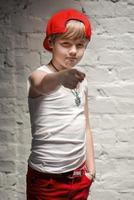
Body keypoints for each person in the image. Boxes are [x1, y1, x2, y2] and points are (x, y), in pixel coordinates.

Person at [26, 8, 96, 200]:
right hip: (46, 180)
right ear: (51, 43)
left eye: (80, 45)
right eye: (66, 44)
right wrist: (60, 77)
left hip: (79, 175)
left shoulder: (81, 80)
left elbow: (85, 124)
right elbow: (41, 83)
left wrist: (91, 169)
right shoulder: (39, 75)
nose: (73, 51)